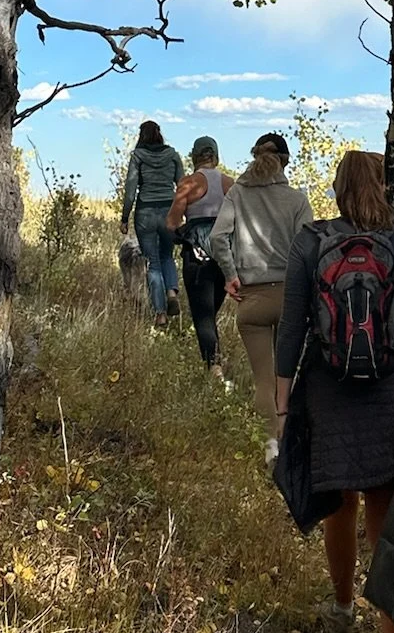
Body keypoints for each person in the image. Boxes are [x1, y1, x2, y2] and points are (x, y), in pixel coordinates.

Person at [275, 150, 394, 633]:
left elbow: (293, 322)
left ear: (339, 189)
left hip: (328, 390)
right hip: (389, 393)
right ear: (382, 189)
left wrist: (281, 399)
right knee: (385, 518)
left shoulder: (311, 242)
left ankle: (342, 609)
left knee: (338, 504)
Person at [209, 132, 312, 459]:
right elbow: (306, 249)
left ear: (255, 158)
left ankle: (270, 449)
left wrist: (231, 275)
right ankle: (293, 446)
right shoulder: (297, 200)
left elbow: (217, 238)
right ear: (285, 161)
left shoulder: (238, 194)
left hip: (251, 300)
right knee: (289, 376)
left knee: (263, 380)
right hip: (290, 299)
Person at [165, 136, 234, 371]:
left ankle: (214, 370)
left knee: (203, 316)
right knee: (211, 313)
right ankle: (215, 360)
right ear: (216, 156)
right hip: (226, 258)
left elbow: (172, 223)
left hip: (197, 258)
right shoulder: (230, 184)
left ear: (194, 157)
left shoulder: (187, 184)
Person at [120, 120, 185, 326]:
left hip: (146, 211)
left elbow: (131, 187)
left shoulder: (137, 157)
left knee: (152, 262)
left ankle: (160, 313)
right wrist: (182, 213)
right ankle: (172, 292)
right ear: (159, 134)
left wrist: (124, 217)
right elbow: (182, 185)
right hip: (169, 209)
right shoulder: (173, 155)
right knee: (167, 255)